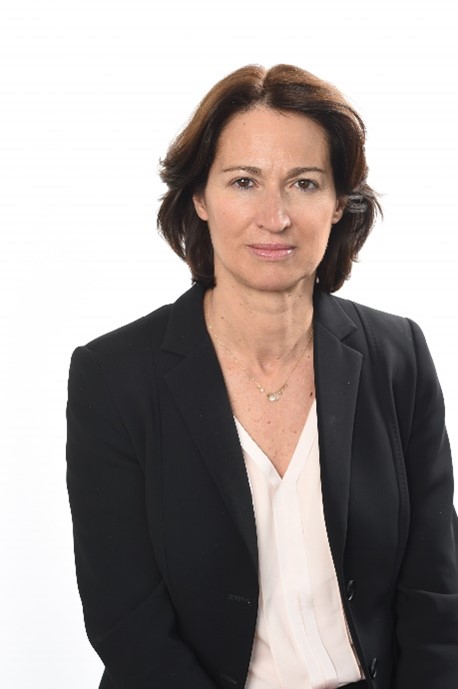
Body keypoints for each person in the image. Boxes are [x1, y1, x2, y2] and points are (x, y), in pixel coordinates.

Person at [66, 64, 458, 689]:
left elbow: (436, 595)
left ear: (338, 203)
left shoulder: (398, 356)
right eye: (244, 181)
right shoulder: (114, 377)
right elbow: (126, 621)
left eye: (304, 183)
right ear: (200, 197)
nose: (274, 217)